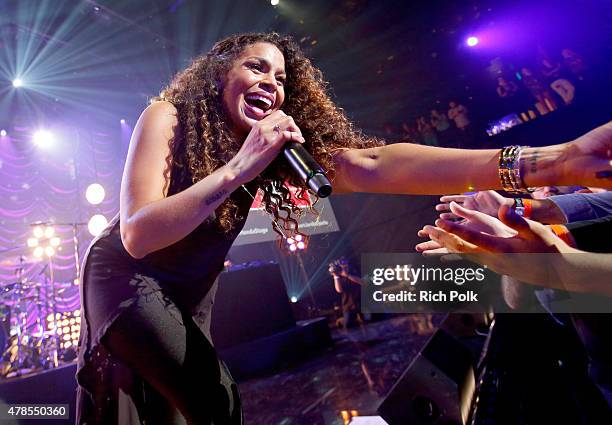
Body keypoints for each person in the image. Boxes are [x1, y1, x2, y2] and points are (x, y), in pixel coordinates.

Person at [75, 30, 612, 425]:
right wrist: (244, 162)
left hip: (193, 287)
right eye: (257, 68)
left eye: (282, 78)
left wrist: (554, 160)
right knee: (215, 400)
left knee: (164, 410)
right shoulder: (166, 116)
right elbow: (138, 235)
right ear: (220, 72)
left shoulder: (275, 149)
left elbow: (376, 165)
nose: (272, 84)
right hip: (128, 276)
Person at [328, 258, 364, 328]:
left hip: (361, 302)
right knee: (349, 325)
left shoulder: (355, 271)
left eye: (345, 265)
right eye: (342, 266)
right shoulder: (339, 277)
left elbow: (362, 282)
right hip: (348, 305)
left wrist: (347, 275)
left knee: (368, 322)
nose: (344, 267)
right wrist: (336, 276)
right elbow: (339, 290)